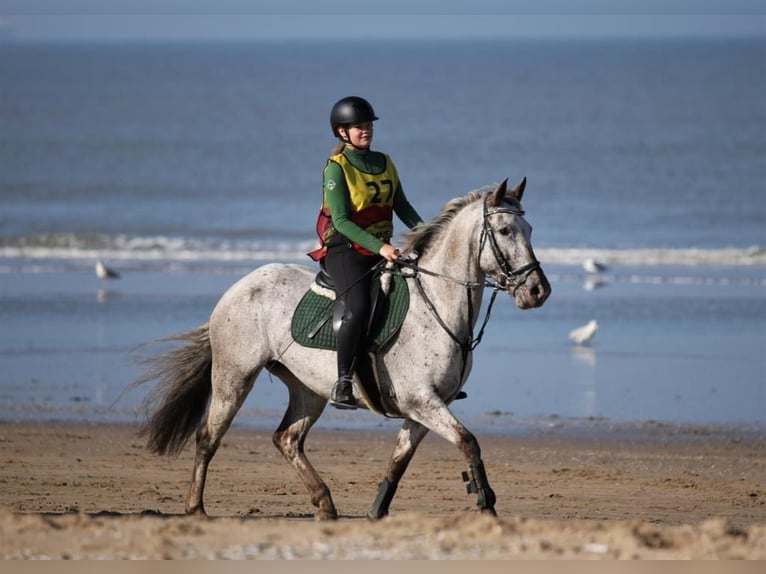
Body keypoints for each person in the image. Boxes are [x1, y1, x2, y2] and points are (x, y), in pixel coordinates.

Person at [308, 96, 424, 409]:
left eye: (368, 125)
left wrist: (428, 234)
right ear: (342, 132)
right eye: (358, 126)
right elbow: (342, 221)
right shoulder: (336, 169)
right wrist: (381, 247)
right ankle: (343, 381)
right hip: (346, 250)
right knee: (358, 307)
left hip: (379, 250)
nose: (365, 130)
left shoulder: (385, 162)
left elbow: (403, 206)